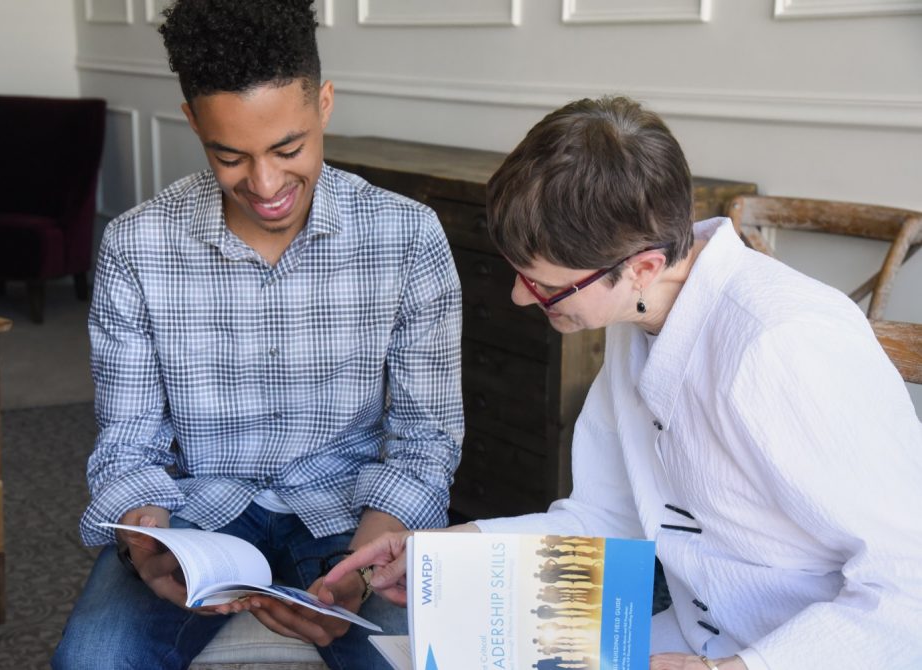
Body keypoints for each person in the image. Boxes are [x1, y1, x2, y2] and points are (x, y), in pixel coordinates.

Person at [325, 96, 922, 670]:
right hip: (695, 637)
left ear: (642, 267)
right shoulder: (641, 316)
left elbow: (908, 580)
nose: (518, 298)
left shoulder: (781, 343)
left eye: (543, 285)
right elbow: (605, 519)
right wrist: (440, 552)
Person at [52, 0, 463, 667]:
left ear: (324, 104)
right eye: (230, 155)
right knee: (91, 661)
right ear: (193, 122)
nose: (267, 184)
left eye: (288, 148)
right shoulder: (135, 246)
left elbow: (425, 437)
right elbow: (128, 439)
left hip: (352, 512)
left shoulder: (408, 236)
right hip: (196, 511)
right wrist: (143, 537)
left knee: (426, 659)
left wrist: (366, 564)